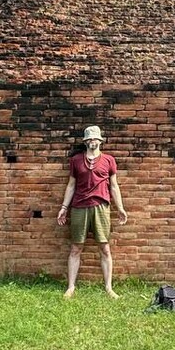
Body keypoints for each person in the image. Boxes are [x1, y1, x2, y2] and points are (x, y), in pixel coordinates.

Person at [57, 125, 128, 298]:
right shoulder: (76, 160)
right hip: (79, 206)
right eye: (89, 139)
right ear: (85, 141)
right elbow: (71, 185)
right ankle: (71, 286)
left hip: (101, 207)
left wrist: (120, 208)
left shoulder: (109, 160)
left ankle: (109, 288)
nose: (92, 141)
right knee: (76, 248)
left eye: (95, 138)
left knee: (105, 248)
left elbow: (114, 186)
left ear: (100, 140)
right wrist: (64, 208)